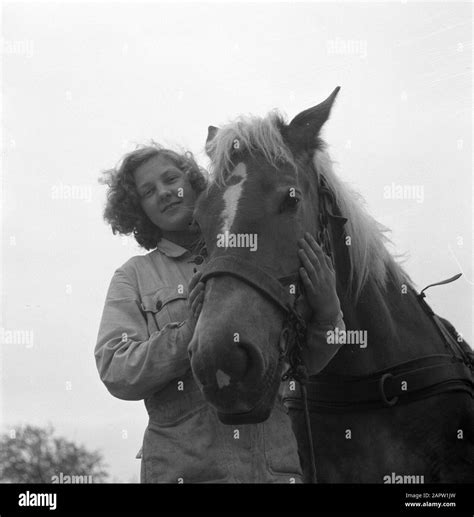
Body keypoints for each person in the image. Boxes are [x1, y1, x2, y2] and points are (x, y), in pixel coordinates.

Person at [95, 143, 345, 483]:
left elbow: (307, 365)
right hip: (185, 471)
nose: (165, 193)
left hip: (274, 471)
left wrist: (329, 311)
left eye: (171, 178)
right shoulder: (134, 275)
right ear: (138, 209)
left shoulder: (254, 254)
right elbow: (116, 368)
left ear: (195, 181)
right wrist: (188, 335)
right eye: (148, 191)